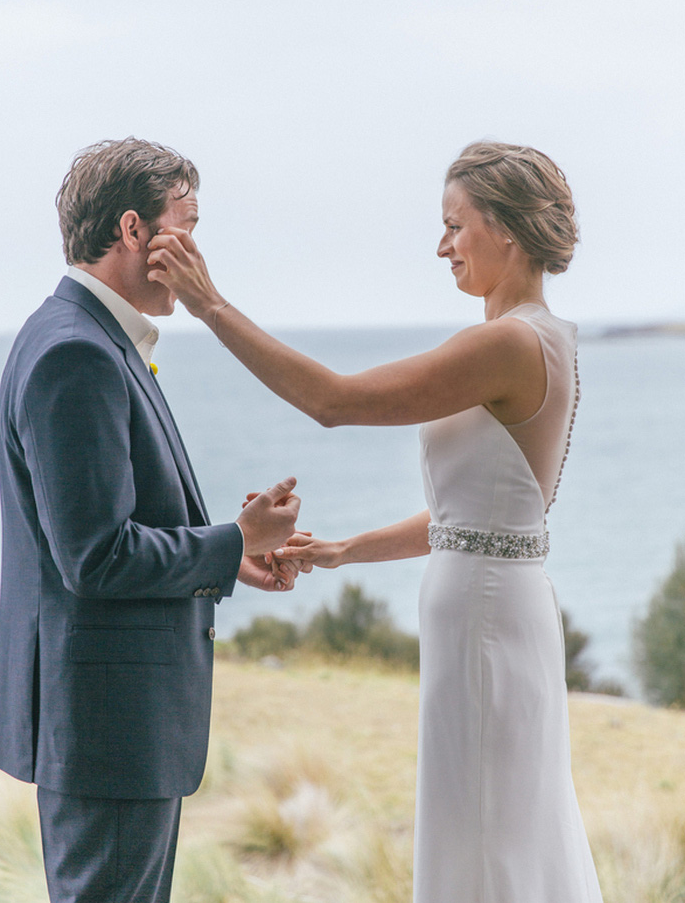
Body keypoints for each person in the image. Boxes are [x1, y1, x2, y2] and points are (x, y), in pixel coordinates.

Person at [146, 140, 603, 902]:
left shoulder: (509, 342)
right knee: (494, 828)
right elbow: (485, 518)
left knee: (489, 837)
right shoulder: (543, 339)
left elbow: (336, 402)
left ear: (510, 231)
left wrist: (210, 306)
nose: (441, 246)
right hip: (494, 606)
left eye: (456, 226)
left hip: (487, 618)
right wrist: (343, 551)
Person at [0, 137, 302, 903]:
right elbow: (95, 558)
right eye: (187, 223)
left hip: (106, 728)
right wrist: (235, 538)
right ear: (135, 231)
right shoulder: (77, 353)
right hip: (109, 732)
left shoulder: (84, 338)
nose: (197, 247)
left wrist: (225, 560)